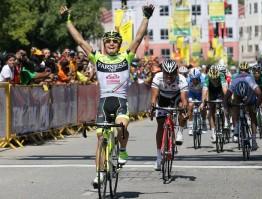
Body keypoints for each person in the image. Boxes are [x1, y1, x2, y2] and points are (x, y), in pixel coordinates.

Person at [60, 4, 155, 186]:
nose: (111, 43)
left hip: (120, 101)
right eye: (108, 41)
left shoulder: (125, 57)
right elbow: (80, 41)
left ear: (119, 44)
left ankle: (123, 151)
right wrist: (67, 20)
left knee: (121, 127)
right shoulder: (98, 58)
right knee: (101, 138)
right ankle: (99, 173)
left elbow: (138, 38)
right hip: (104, 102)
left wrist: (146, 17)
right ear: (104, 44)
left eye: (115, 41)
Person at [151, 59, 188, 170]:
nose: (169, 77)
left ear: (176, 72)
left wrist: (184, 110)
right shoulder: (157, 77)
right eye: (167, 73)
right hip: (163, 99)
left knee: (182, 106)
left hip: (176, 98)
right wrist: (152, 109)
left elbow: (184, 99)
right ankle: (158, 156)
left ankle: (180, 131)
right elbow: (154, 97)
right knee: (160, 125)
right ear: (163, 72)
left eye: (172, 74)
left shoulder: (182, 79)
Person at [224, 62, 262, 150]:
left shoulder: (235, 79)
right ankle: (253, 139)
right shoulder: (250, 78)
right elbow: (259, 94)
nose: (244, 72)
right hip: (247, 97)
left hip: (245, 97)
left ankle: (237, 128)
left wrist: (227, 107)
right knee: (252, 115)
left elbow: (226, 97)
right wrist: (257, 106)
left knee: (235, 108)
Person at [201, 65, 228, 142]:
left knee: (225, 103)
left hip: (220, 90)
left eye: (216, 79)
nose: (215, 81)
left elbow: (225, 89)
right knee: (211, 111)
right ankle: (213, 132)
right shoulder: (207, 77)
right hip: (211, 92)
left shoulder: (221, 75)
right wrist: (203, 102)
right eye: (213, 79)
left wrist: (226, 100)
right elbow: (205, 90)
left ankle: (225, 121)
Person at [186, 68, 206, 135]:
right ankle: (191, 126)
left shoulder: (203, 81)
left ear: (199, 77)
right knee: (190, 105)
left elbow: (205, 92)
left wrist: (203, 102)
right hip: (192, 94)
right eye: (193, 79)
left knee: (203, 107)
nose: (194, 80)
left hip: (200, 94)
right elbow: (185, 92)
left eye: (196, 79)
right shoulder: (188, 80)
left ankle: (203, 122)